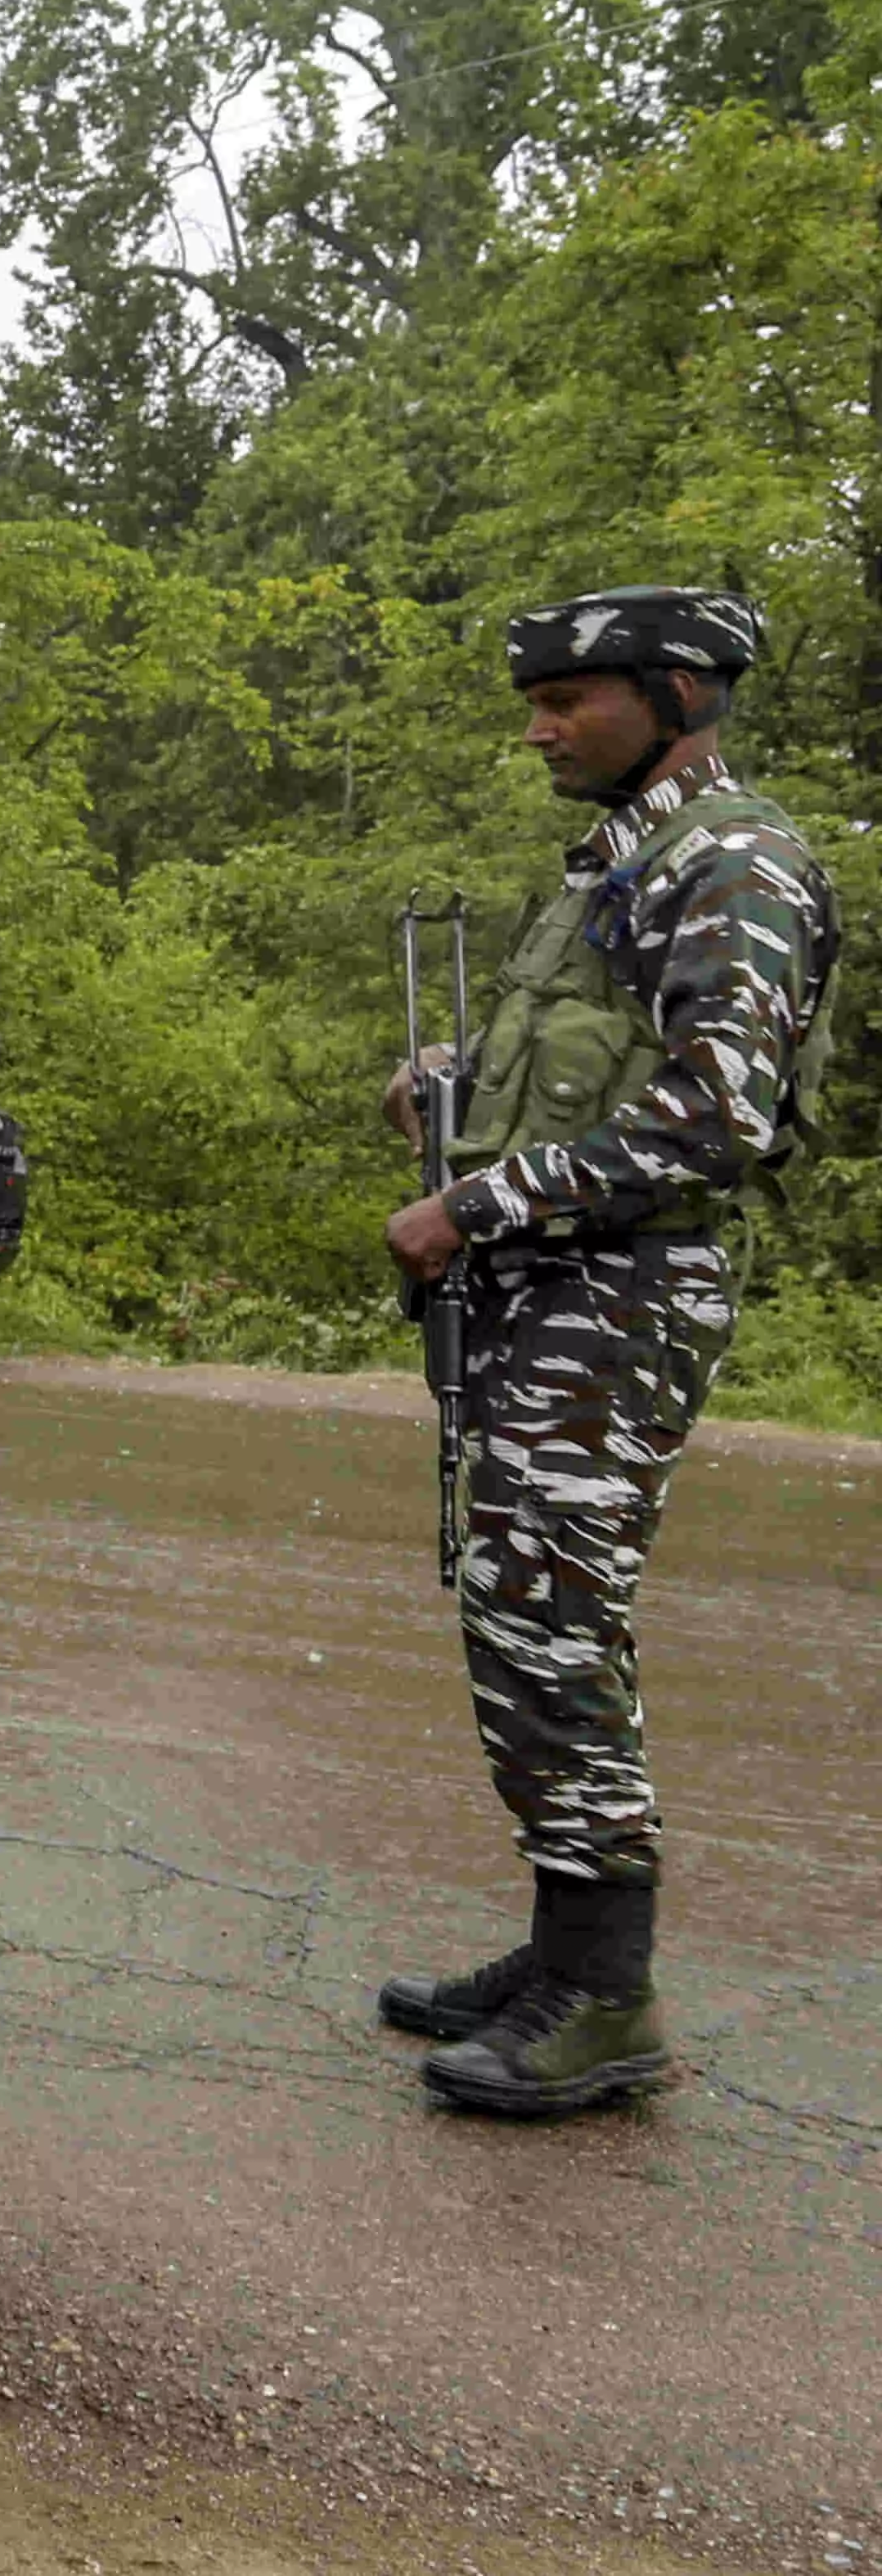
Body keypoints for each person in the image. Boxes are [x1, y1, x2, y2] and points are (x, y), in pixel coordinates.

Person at [374, 586, 841, 2119]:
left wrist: (476, 1198)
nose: (540, 724)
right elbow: (595, 1062)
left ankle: (608, 1995)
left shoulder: (736, 862)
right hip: (556, 1287)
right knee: (522, 1611)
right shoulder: (620, 863)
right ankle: (564, 1945)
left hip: (624, 1298)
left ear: (678, 691)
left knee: (556, 1616)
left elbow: (721, 1117)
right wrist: (461, 1089)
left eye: (573, 698)